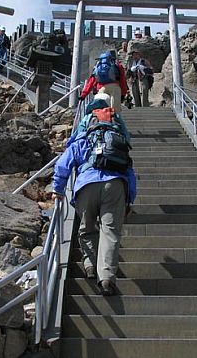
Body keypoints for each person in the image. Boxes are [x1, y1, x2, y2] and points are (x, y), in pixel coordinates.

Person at [52, 105, 136, 296]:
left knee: (87, 228)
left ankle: (90, 265)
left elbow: (63, 165)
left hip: (86, 186)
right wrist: (129, 199)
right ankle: (106, 278)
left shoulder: (82, 140)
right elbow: (130, 173)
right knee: (110, 232)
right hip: (115, 186)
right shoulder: (118, 142)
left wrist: (58, 189)